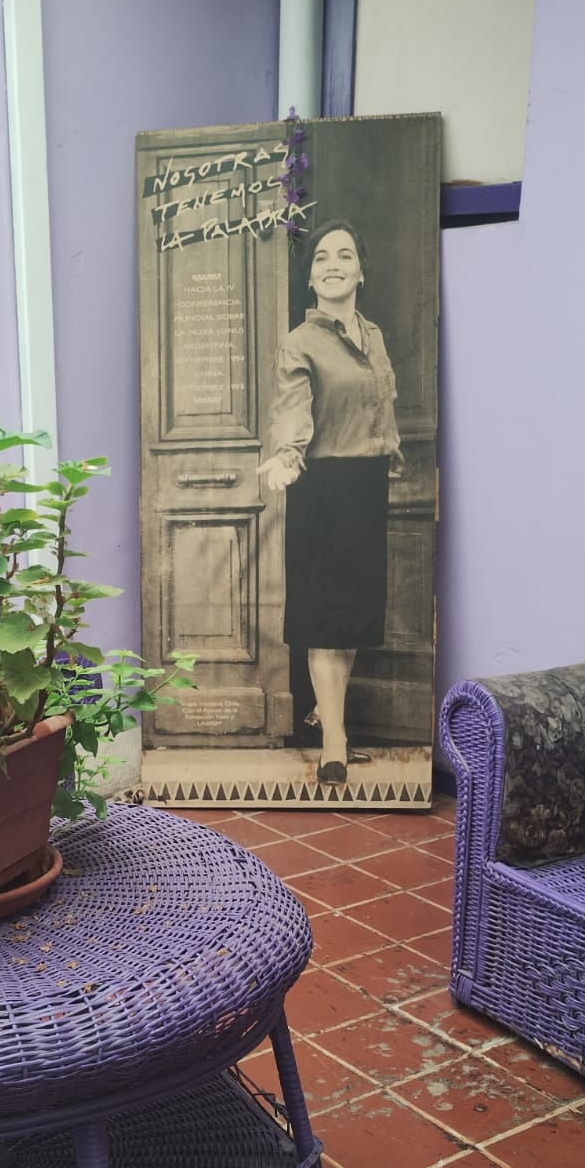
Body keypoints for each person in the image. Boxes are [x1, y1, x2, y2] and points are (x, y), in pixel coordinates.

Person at [257, 219, 404, 784]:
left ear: (361, 271)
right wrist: (287, 455)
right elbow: (293, 408)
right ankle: (335, 743)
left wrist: (390, 455)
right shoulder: (300, 342)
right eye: (321, 257)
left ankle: (328, 713)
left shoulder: (375, 336)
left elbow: (381, 406)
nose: (333, 265)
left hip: (366, 487)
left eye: (344, 255)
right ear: (311, 276)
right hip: (321, 488)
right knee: (324, 620)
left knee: (352, 618)